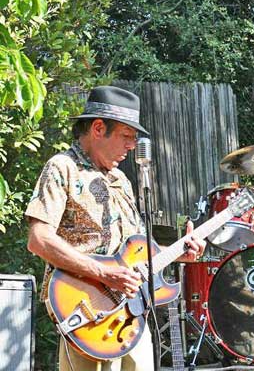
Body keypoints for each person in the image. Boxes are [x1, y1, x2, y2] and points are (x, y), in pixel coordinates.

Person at [25, 86, 203, 371]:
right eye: (126, 136)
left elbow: (133, 256)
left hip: (131, 317)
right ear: (98, 128)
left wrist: (181, 252)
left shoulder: (121, 180)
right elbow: (39, 240)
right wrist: (102, 272)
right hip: (87, 314)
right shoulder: (62, 168)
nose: (132, 146)